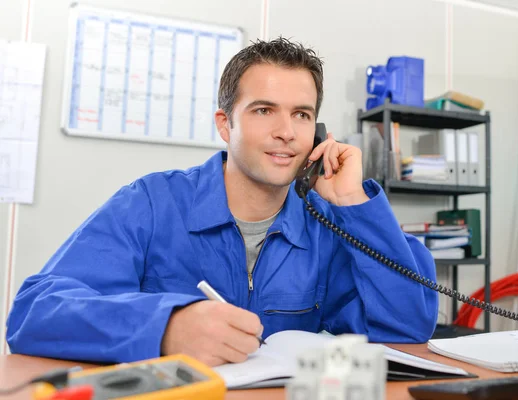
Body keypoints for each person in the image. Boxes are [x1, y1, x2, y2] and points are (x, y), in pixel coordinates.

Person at [6, 37, 438, 367]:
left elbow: (406, 327)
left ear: (318, 132)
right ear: (225, 126)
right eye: (264, 110)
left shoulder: (330, 222)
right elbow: (35, 311)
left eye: (302, 114)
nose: (287, 131)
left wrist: (352, 202)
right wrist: (165, 327)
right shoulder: (152, 203)